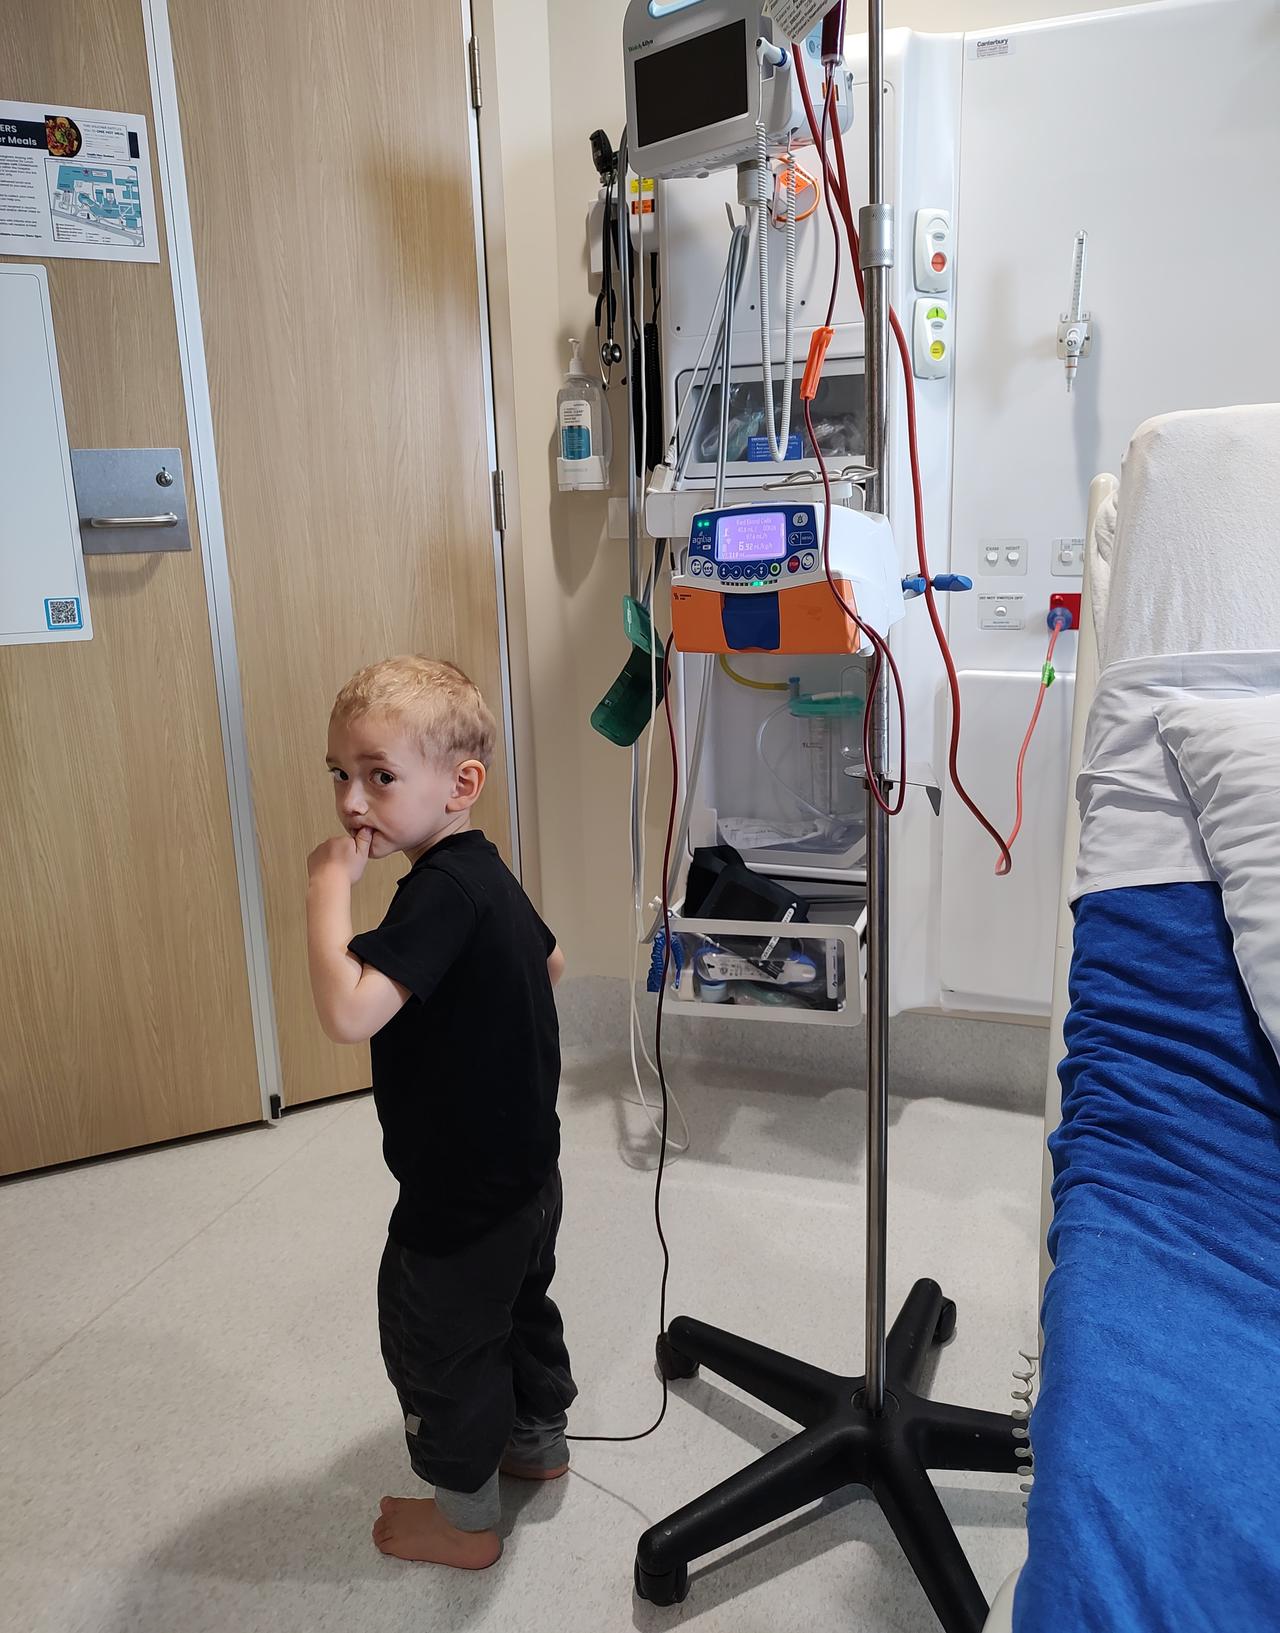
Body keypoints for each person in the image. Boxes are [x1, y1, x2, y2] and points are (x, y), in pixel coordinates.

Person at [305, 655, 575, 1569]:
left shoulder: (437, 893)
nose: (352, 801)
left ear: (461, 785)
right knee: (521, 1308)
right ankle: (537, 1445)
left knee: (440, 1345)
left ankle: (464, 1522)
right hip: (529, 1176)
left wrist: (324, 891)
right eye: (340, 773)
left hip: (457, 1201)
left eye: (380, 775)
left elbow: (348, 1012)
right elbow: (551, 962)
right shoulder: (484, 873)